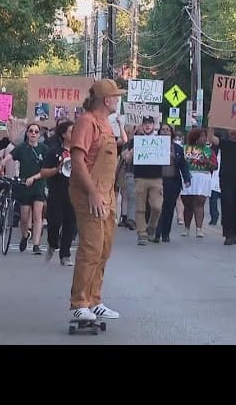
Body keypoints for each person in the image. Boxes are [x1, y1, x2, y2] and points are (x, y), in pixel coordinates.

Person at [68, 79, 123, 321]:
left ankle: (94, 300)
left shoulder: (107, 125)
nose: (118, 100)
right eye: (116, 96)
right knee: (91, 248)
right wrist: (92, 191)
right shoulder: (86, 121)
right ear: (106, 99)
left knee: (104, 248)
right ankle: (79, 302)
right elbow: (78, 161)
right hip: (90, 194)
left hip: (107, 195)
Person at [0, 122, 48, 254]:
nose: (33, 134)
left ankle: (36, 245)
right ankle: (25, 236)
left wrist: (35, 178)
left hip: (38, 185)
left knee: (37, 215)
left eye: (36, 131)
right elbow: (7, 158)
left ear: (39, 134)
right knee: (24, 217)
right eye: (31, 131)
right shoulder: (22, 148)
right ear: (27, 133)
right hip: (24, 185)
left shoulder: (44, 149)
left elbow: (47, 169)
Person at [122, 116, 164, 246]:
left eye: (150, 124)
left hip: (156, 178)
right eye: (145, 124)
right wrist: (132, 153)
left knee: (157, 207)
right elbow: (126, 159)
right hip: (140, 177)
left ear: (154, 125)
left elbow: (166, 157)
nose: (147, 126)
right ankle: (142, 234)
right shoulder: (135, 141)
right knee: (140, 208)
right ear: (142, 126)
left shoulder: (160, 140)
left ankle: (151, 226)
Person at [40, 120, 76, 266]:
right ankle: (52, 243)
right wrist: (57, 169)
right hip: (56, 192)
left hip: (74, 193)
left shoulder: (79, 151)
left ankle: (65, 255)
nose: (75, 134)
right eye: (71, 131)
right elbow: (43, 172)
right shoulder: (53, 151)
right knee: (54, 223)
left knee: (70, 224)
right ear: (63, 134)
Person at [153, 123, 190, 243]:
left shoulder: (177, 148)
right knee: (158, 207)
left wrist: (187, 179)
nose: (165, 132)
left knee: (169, 208)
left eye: (167, 130)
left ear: (171, 133)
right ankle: (156, 232)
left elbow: (183, 165)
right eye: (163, 130)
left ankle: (165, 233)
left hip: (172, 181)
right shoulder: (153, 146)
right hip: (158, 180)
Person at [180, 128, 218, 238]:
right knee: (188, 204)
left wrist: (207, 162)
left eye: (205, 136)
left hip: (203, 176)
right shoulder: (185, 148)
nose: (204, 138)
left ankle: (199, 229)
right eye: (201, 136)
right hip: (189, 176)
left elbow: (215, 166)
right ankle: (187, 228)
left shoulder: (209, 151)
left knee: (199, 203)